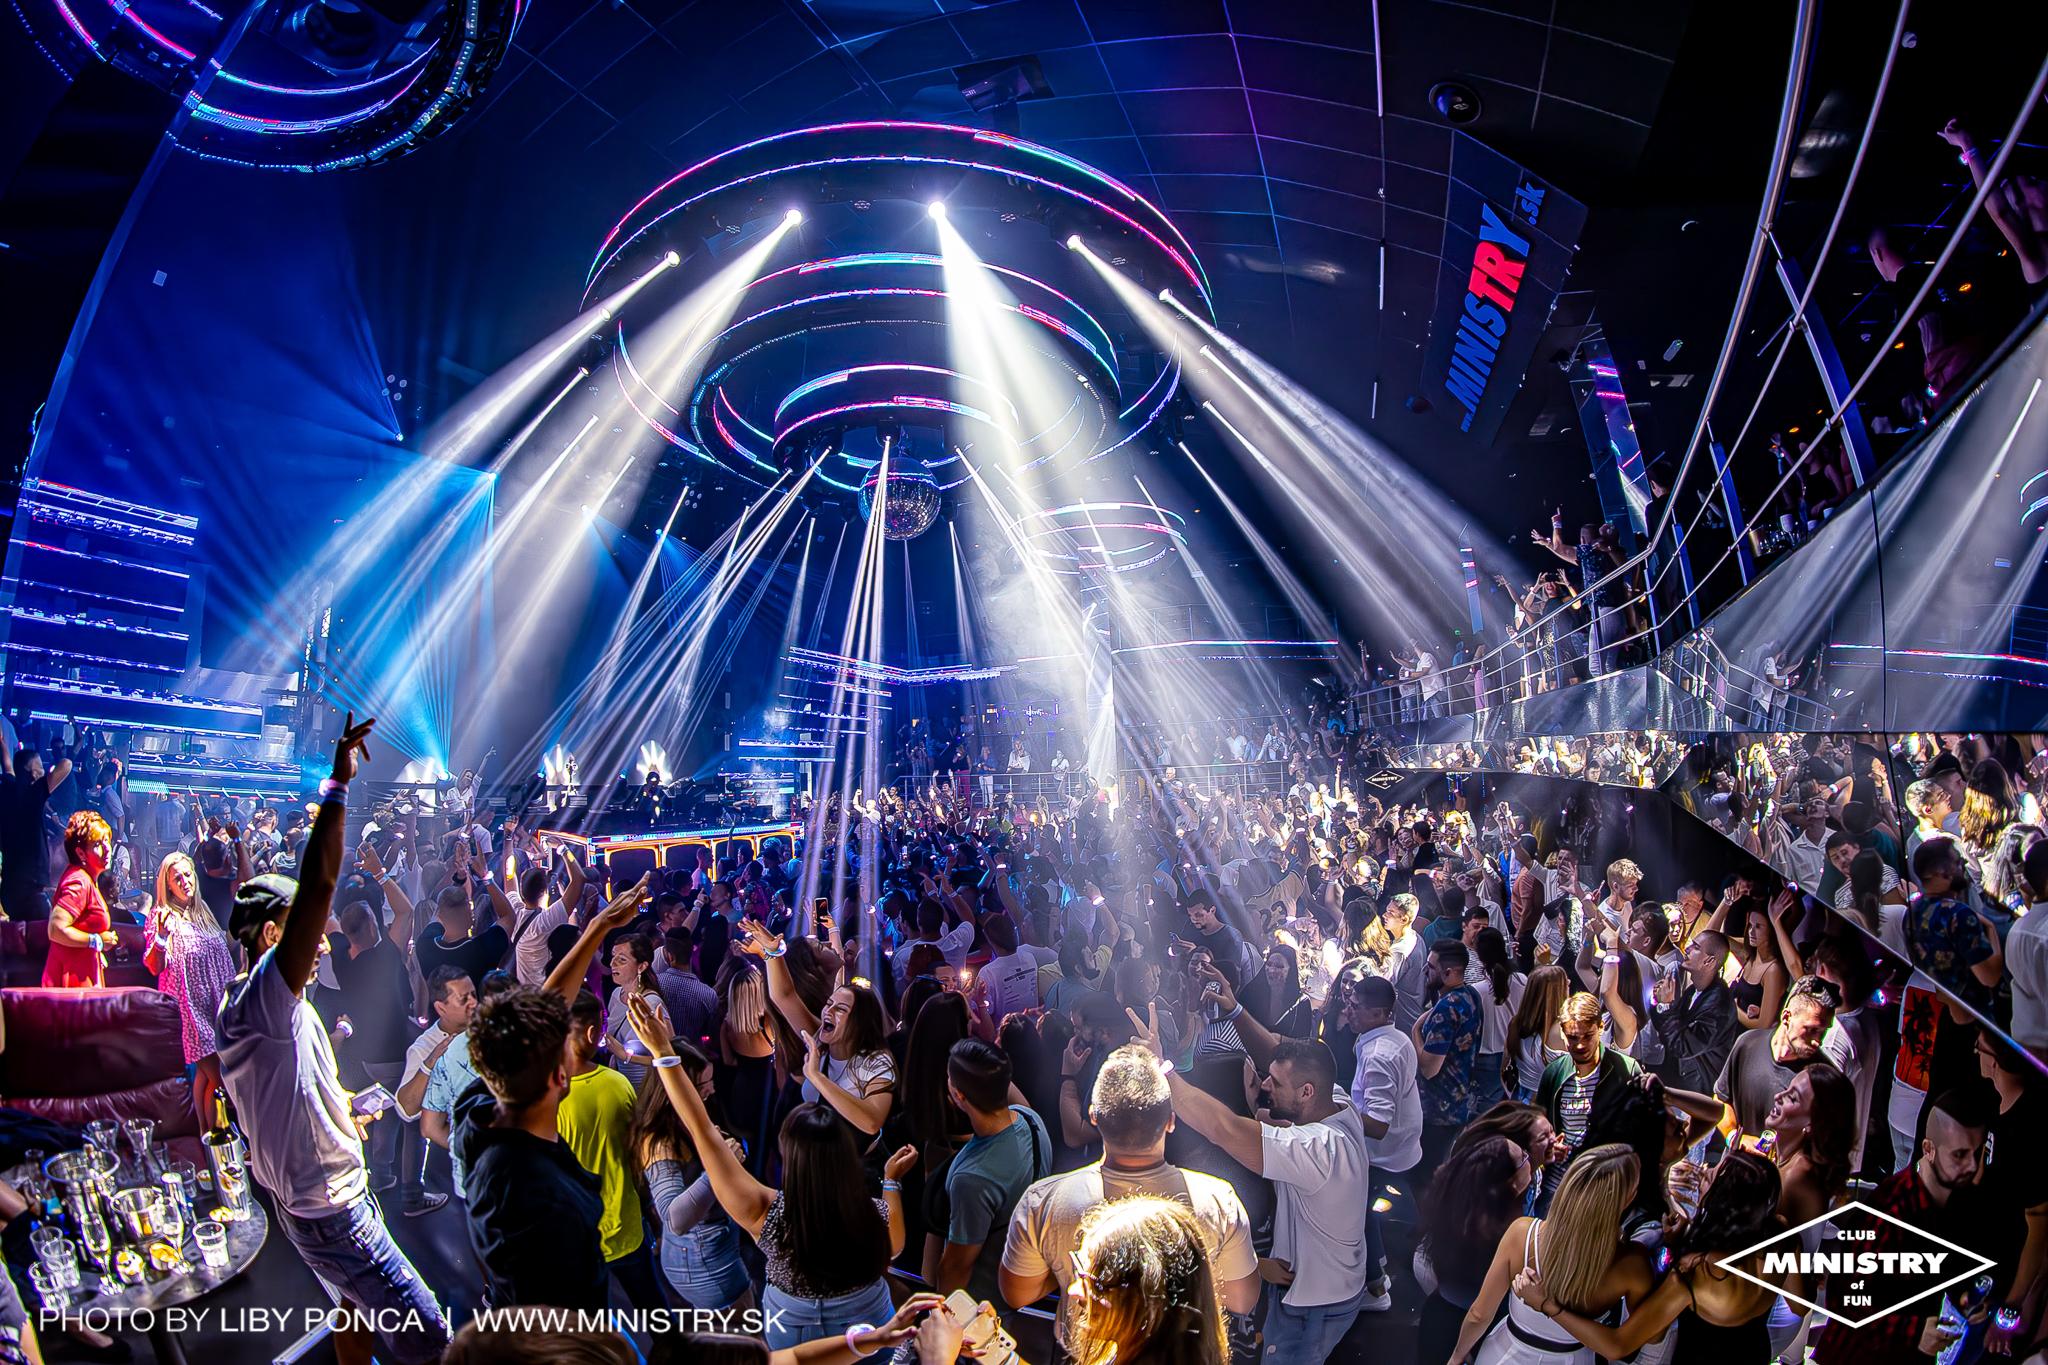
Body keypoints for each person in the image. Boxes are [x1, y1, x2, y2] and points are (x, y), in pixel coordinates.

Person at [216, 715, 452, 1365]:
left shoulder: (256, 1008)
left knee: (353, 1310)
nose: (321, 935)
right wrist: (339, 784)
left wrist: (343, 1108)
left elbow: (287, 1097)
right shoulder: (265, 998)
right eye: (306, 925)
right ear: (274, 937)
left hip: (313, 1201)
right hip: (334, 1211)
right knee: (434, 1340)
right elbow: (321, 881)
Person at [624, 991, 904, 1350]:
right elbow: (895, 1247)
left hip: (794, 1338)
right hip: (868, 1336)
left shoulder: (765, 1213)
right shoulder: (876, 1214)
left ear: (789, 1159)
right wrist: (891, 1182)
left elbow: (701, 1129)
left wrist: (664, 1054)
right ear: (847, 1160)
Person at [1131, 1003, 1371, 1365]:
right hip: (1333, 1285)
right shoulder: (1338, 1102)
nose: (1265, 1085)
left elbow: (1223, 1128)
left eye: (1275, 1083)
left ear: (1307, 1092)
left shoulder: (1317, 1150)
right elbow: (1275, 1056)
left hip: (1313, 1308)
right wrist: (1235, 1009)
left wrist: (1161, 1067)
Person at [1000, 1044, 1261, 1352]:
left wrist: (1063, 1265)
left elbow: (1017, 1293)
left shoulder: (1044, 1201)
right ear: (1170, 1121)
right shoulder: (1218, 1201)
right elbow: (1242, 1299)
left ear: (1094, 1117)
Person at [1513, 1151, 1790, 1363]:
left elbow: (1618, 1345)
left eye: (1710, 1176)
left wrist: (1548, 1305)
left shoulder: (1693, 1276)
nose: (1704, 1171)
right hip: (1755, 1352)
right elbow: (1799, 1303)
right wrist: (1679, 1240)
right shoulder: (1783, 1236)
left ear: (1724, 1201)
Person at [930, 1195, 1227, 1365]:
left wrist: (937, 1359)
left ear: (1146, 1301)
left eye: (1091, 1280)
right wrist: (996, 1351)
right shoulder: (1130, 1350)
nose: (1073, 1290)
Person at [1447, 1143, 1646, 1365]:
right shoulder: (1632, 1265)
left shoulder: (1521, 1234)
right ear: (1628, 1198)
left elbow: (1479, 1315)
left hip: (1504, 1354)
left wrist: (1456, 1357)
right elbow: (1644, 1338)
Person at [738, 918, 895, 1140]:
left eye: (841, 1008)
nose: (828, 1011)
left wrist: (816, 1077)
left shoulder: (876, 1059)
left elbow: (871, 1123)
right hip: (808, 1138)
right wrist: (773, 953)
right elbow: (784, 995)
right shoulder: (821, 1037)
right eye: (829, 1004)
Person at [923, 1039, 1051, 1302]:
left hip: (984, 1303)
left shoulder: (972, 1179)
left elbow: (955, 1268)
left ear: (959, 1095)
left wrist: (942, 1314)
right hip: (1024, 1278)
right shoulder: (1031, 1120)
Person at [631, 1039, 755, 1311]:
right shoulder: (659, 1142)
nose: (712, 1089)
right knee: (744, 1327)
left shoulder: (683, 1118)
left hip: (716, 1248)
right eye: (702, 1085)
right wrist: (721, 1163)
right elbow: (674, 1219)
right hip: (703, 1264)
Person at [1415, 1135, 1532, 1364]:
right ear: (1511, 1183)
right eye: (1523, 1157)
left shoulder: (1456, 1206)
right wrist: (1458, 1355)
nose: (1529, 1159)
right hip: (1483, 1328)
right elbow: (1479, 1314)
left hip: (1439, 1317)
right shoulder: (1509, 1233)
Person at [1337, 973, 1414, 1312]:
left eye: (1355, 1007)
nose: (1348, 1011)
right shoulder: (1396, 1039)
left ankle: (1375, 1289)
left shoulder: (1379, 1055)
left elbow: (1379, 1125)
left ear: (1380, 1013)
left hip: (1382, 1156)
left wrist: (1336, 1110)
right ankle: (1379, 1264)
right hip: (1402, 1147)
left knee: (1358, 1215)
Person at [145, 849, 237, 1127]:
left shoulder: (201, 910)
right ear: (167, 885)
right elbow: (154, 966)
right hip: (191, 1012)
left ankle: (204, 1137)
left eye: (188, 875)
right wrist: (161, 937)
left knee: (206, 1078)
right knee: (221, 1080)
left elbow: (222, 948)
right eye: (177, 878)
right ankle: (218, 1137)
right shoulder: (162, 915)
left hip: (217, 1006)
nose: (185, 882)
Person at [1710, 975, 1837, 1140]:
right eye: (1812, 1030)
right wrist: (1734, 1137)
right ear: (1786, 1017)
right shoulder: (1748, 1043)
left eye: (1823, 1032)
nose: (1818, 1041)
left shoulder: (1819, 1079)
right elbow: (1721, 1100)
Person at [393, 966, 469, 1216]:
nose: (474, 1003)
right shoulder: (424, 1048)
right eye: (464, 999)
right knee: (414, 1128)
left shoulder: (482, 1028)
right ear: (441, 1008)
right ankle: (412, 1196)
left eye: (474, 994)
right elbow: (405, 1109)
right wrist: (431, 1063)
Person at [1534, 992, 1641, 1170]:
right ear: (1562, 1033)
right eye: (1573, 1037)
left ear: (1601, 1028)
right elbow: (1537, 1135)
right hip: (1562, 1179)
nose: (1580, 1045)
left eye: (1587, 1036)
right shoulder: (1553, 1074)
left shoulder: (1626, 1071)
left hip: (1608, 1178)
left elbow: (1644, 1130)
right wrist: (1549, 1150)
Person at [1414, 939, 1483, 1177]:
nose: (1426, 970)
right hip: (1460, 1103)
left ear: (1449, 972)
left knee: (1426, 1178)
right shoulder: (1471, 995)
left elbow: (1429, 1068)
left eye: (1432, 967)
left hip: (1437, 1112)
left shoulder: (1446, 1009)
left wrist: (1415, 1031)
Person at [1654, 930, 1739, 1096]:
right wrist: (1659, 1002)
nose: (1687, 949)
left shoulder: (1718, 1007)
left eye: (1696, 947)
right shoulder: (1693, 990)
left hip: (1698, 1093)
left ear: (1709, 961)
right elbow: (1666, 1031)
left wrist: (1666, 1006)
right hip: (1681, 1083)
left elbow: (1681, 1047)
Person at [42, 810, 114, 988]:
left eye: (107, 841)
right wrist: (96, 941)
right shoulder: (79, 882)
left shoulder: (87, 879)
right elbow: (56, 929)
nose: (107, 849)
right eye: (98, 844)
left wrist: (94, 950)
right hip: (72, 984)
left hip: (81, 977)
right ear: (81, 853)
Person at [0, 744, 71, 921]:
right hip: (31, 889)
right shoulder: (33, 794)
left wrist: (2, 742)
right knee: (40, 933)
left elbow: (8, 767)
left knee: (16, 932)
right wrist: (42, 777)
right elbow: (67, 765)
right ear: (33, 774)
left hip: (10, 885)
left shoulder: (6, 790)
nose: (43, 771)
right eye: (40, 767)